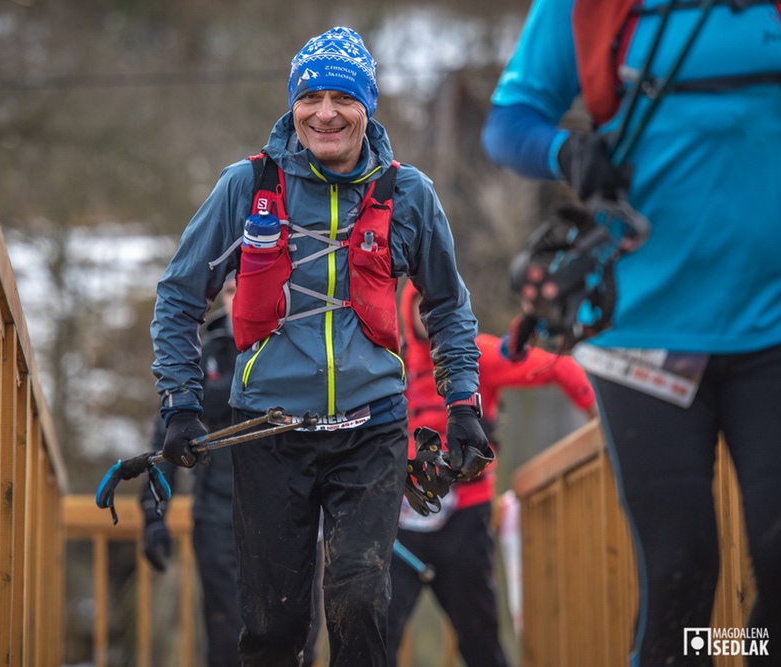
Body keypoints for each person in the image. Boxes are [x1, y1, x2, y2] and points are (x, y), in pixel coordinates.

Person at [149, 26, 489, 667]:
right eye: (310, 97)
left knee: (360, 607)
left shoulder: (409, 195)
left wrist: (463, 406)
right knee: (274, 628)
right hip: (268, 430)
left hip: (372, 429)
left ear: (368, 108)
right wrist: (180, 403)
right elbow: (179, 296)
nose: (324, 113)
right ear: (293, 105)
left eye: (342, 98)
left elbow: (447, 306)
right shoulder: (246, 186)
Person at [482, 2, 781, 665]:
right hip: (641, 332)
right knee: (681, 568)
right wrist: (567, 151)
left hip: (772, 326)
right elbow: (507, 123)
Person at [386, 280, 597, 667]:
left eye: (436, 304)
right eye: (420, 305)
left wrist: (599, 422)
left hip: (466, 517)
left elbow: (559, 366)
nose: (428, 314)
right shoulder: (387, 365)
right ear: (405, 310)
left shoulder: (476, 356)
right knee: (375, 636)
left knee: (480, 639)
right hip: (399, 525)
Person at [139, 277, 321, 667]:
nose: (239, 297)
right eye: (231, 289)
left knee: (299, 634)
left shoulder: (304, 348)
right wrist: (154, 513)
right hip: (217, 514)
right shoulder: (202, 353)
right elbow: (166, 435)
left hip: (291, 512)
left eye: (247, 286)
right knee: (227, 635)